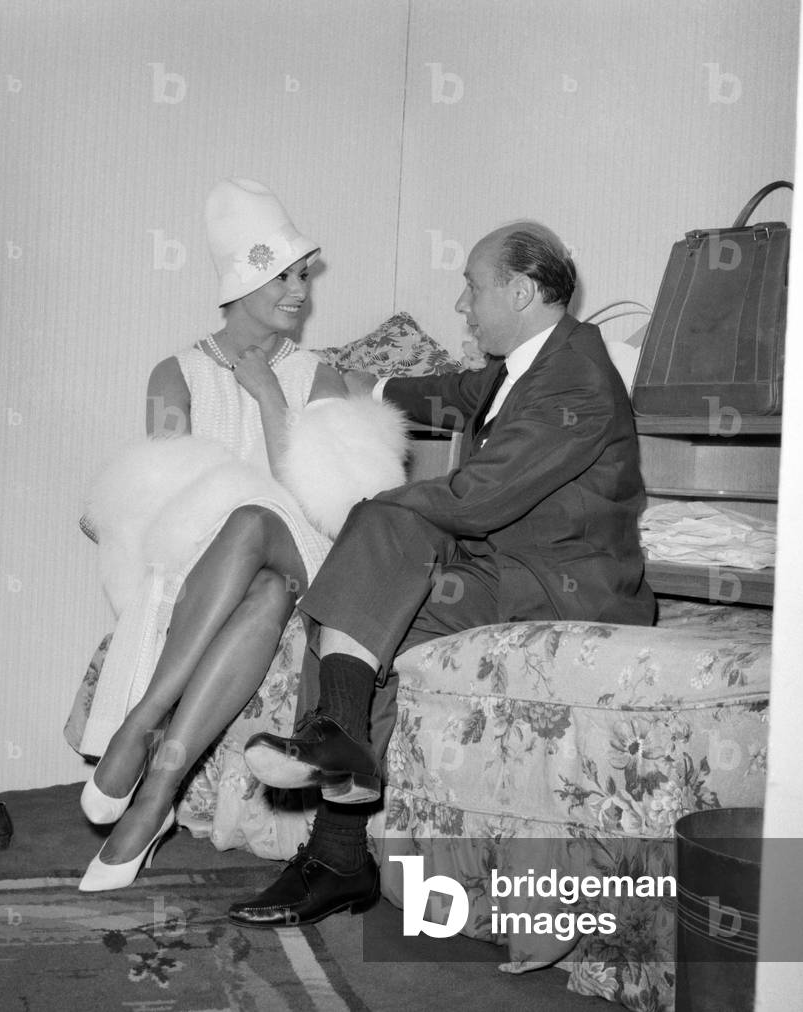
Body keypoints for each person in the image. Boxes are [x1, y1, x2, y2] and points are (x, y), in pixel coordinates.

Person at [229, 220, 656, 927]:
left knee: (379, 534)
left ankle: (334, 812)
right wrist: (342, 379)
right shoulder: (530, 361)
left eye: (471, 288)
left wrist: (376, 510)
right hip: (507, 565)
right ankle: (339, 836)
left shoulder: (574, 377)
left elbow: (477, 497)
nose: (461, 305)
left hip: (564, 582)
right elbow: (451, 394)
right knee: (354, 613)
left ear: (519, 291)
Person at [73, 178, 406, 891]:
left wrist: (267, 398)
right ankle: (159, 789)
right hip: (225, 568)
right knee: (258, 582)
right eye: (283, 277)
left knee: (256, 521)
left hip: (312, 557)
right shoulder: (178, 373)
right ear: (241, 279)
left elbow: (331, 510)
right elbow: (162, 501)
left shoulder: (318, 376)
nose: (300, 294)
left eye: (303, 277)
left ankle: (141, 722)